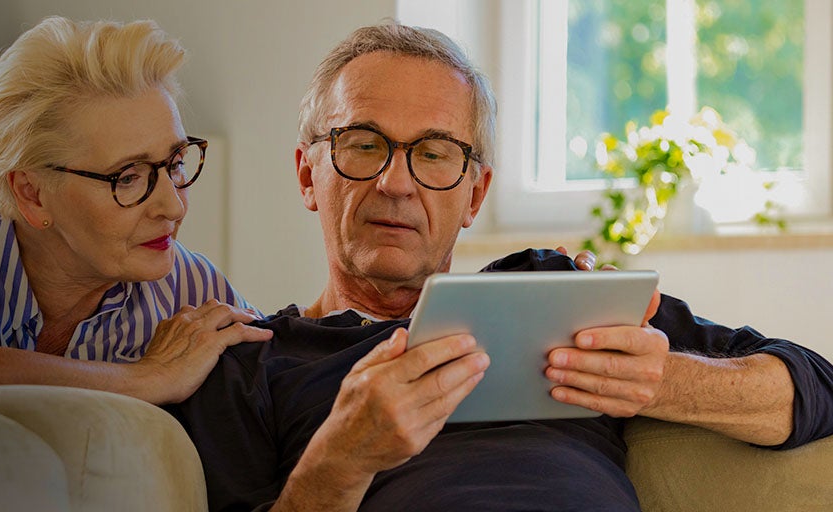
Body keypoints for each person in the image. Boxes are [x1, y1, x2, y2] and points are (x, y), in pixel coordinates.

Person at [166, 23, 833, 511]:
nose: (397, 184)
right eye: (363, 144)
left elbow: (814, 387)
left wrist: (662, 384)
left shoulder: (558, 293)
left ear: (475, 195)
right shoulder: (251, 363)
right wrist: (340, 461)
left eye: (433, 154)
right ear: (309, 177)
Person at [0, 16, 273, 404]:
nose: (172, 204)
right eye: (127, 177)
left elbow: (277, 382)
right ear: (32, 194)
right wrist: (148, 379)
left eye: (176, 163)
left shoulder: (189, 287)